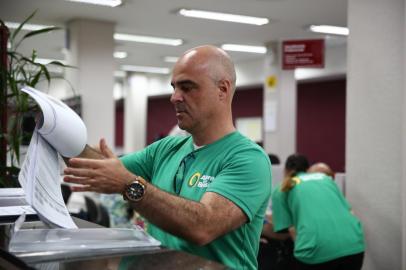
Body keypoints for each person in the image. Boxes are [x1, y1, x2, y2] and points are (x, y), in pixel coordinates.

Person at [64, 45, 272, 269]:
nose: (174, 97)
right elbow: (98, 169)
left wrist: (129, 185)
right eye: (174, 87)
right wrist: (58, 132)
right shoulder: (166, 148)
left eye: (187, 87)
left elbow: (203, 226)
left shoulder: (248, 159)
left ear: (222, 89)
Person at [271, 154, 365, 270]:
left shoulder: (284, 186)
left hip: (316, 254)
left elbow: (290, 231)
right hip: (354, 246)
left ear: (285, 170)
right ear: (307, 169)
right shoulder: (325, 179)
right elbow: (350, 212)